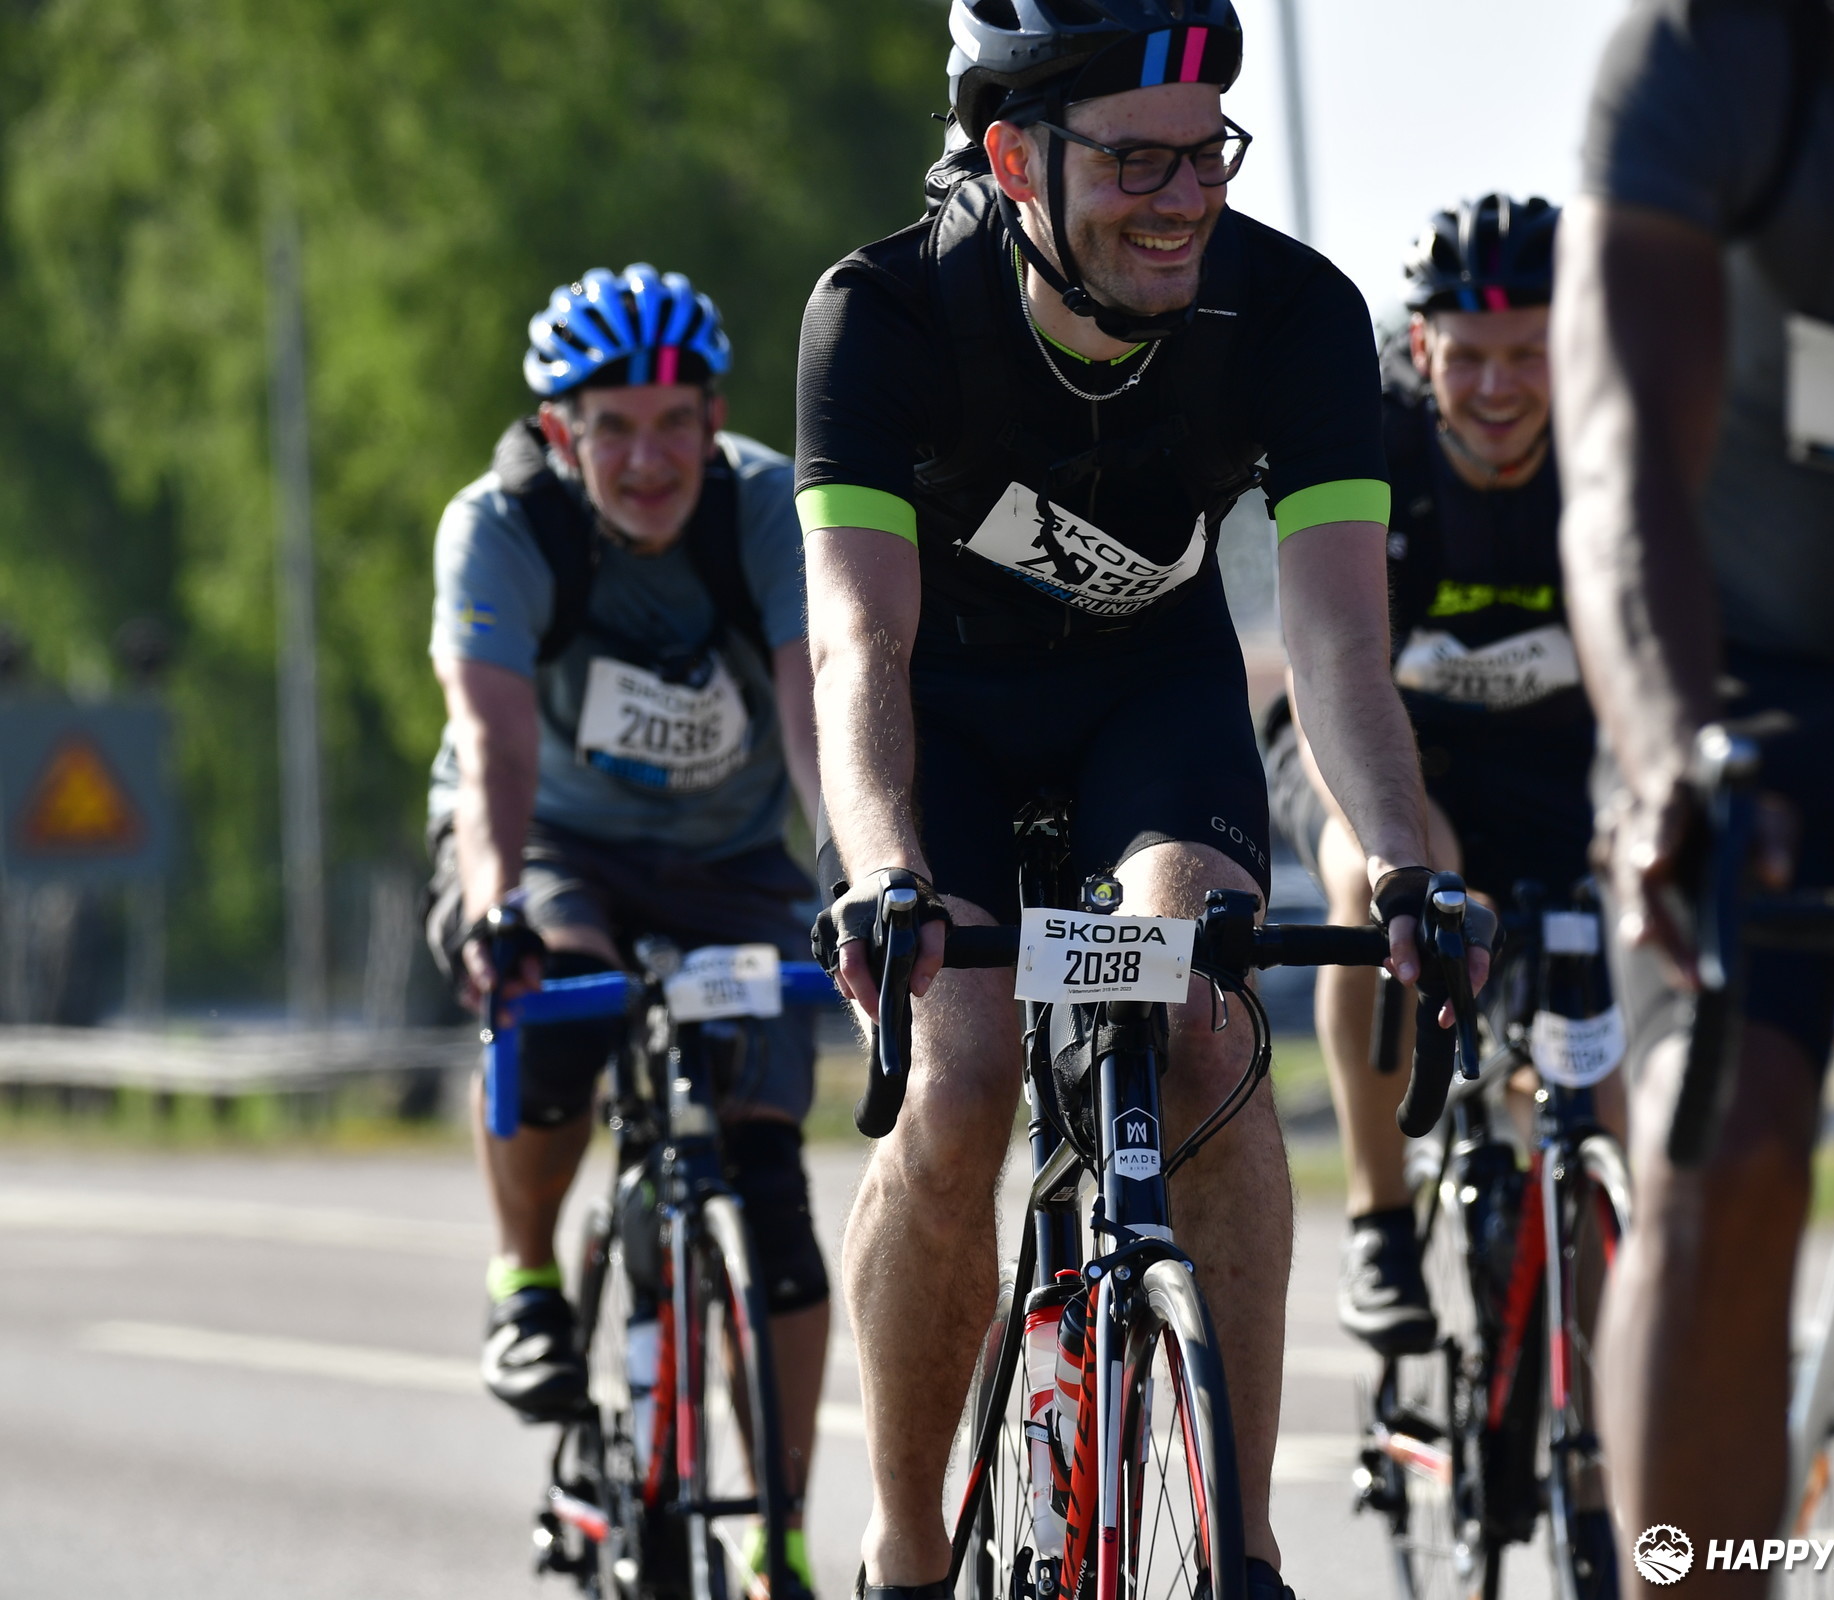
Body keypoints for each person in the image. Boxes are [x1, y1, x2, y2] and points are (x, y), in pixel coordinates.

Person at [795, 4, 1482, 1595]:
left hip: (1147, 706)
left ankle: (1239, 1544)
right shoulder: (881, 314)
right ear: (1013, 156)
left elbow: (1337, 639)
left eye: (1206, 154)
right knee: (962, 1077)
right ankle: (908, 1539)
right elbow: (857, 640)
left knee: (1207, 1022)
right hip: (940, 715)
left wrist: (1400, 862)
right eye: (1136, 162)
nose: (1183, 199)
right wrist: (887, 869)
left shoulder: (1295, 312)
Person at [1554, 0, 1834, 1574]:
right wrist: (1670, 761)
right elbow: (1615, 467)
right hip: (1747, 685)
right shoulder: (1713, 54)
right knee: (1722, 1137)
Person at [423, 264, 827, 1597]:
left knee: (772, 1201)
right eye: (612, 428)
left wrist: (853, 872)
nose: (647, 460)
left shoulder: (766, 509)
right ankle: (525, 1276)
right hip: (550, 842)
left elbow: (815, 709)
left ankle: (776, 1530)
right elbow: (492, 743)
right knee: (555, 999)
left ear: (714, 418)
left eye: (673, 425)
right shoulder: (502, 526)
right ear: (560, 432)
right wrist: (496, 910)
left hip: (729, 863)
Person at [1262, 195, 1626, 1354]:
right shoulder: (1371, 432)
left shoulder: (1622, 432)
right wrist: (1400, 850)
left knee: (1608, 1064)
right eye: (1466, 357)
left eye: (1528, 353)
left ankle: (1600, 1354)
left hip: (1557, 763)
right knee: (1394, 888)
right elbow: (1332, 658)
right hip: (1375, 743)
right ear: (1420, 348)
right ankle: (1377, 1221)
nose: (1497, 387)